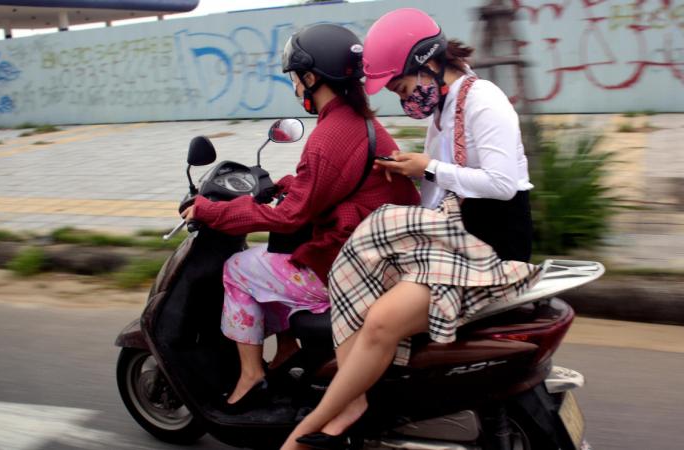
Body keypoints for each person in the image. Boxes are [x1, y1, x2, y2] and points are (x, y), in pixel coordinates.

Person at [283, 8, 541, 450]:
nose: (405, 100)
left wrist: (430, 167)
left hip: (492, 242)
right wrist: (413, 181)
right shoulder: (447, 108)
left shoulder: (484, 101)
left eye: (403, 87)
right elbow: (444, 186)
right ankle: (359, 397)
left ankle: (312, 429)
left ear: (428, 64)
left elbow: (500, 185)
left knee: (382, 320)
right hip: (460, 230)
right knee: (356, 262)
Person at [182, 23, 420, 413]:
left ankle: (250, 375)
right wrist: (291, 183)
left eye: (296, 79)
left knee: (239, 268)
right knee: (277, 256)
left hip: (351, 270)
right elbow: (340, 185)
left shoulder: (329, 136)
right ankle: (288, 350)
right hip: (379, 257)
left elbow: (290, 218)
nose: (295, 88)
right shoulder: (360, 122)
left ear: (312, 78)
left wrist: (212, 211)